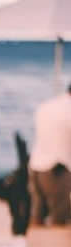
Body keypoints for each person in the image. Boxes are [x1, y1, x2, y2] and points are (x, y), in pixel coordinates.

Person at [29, 84, 71, 225]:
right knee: (60, 222)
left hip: (36, 166)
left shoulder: (46, 106)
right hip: (57, 169)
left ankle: (36, 246)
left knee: (37, 219)